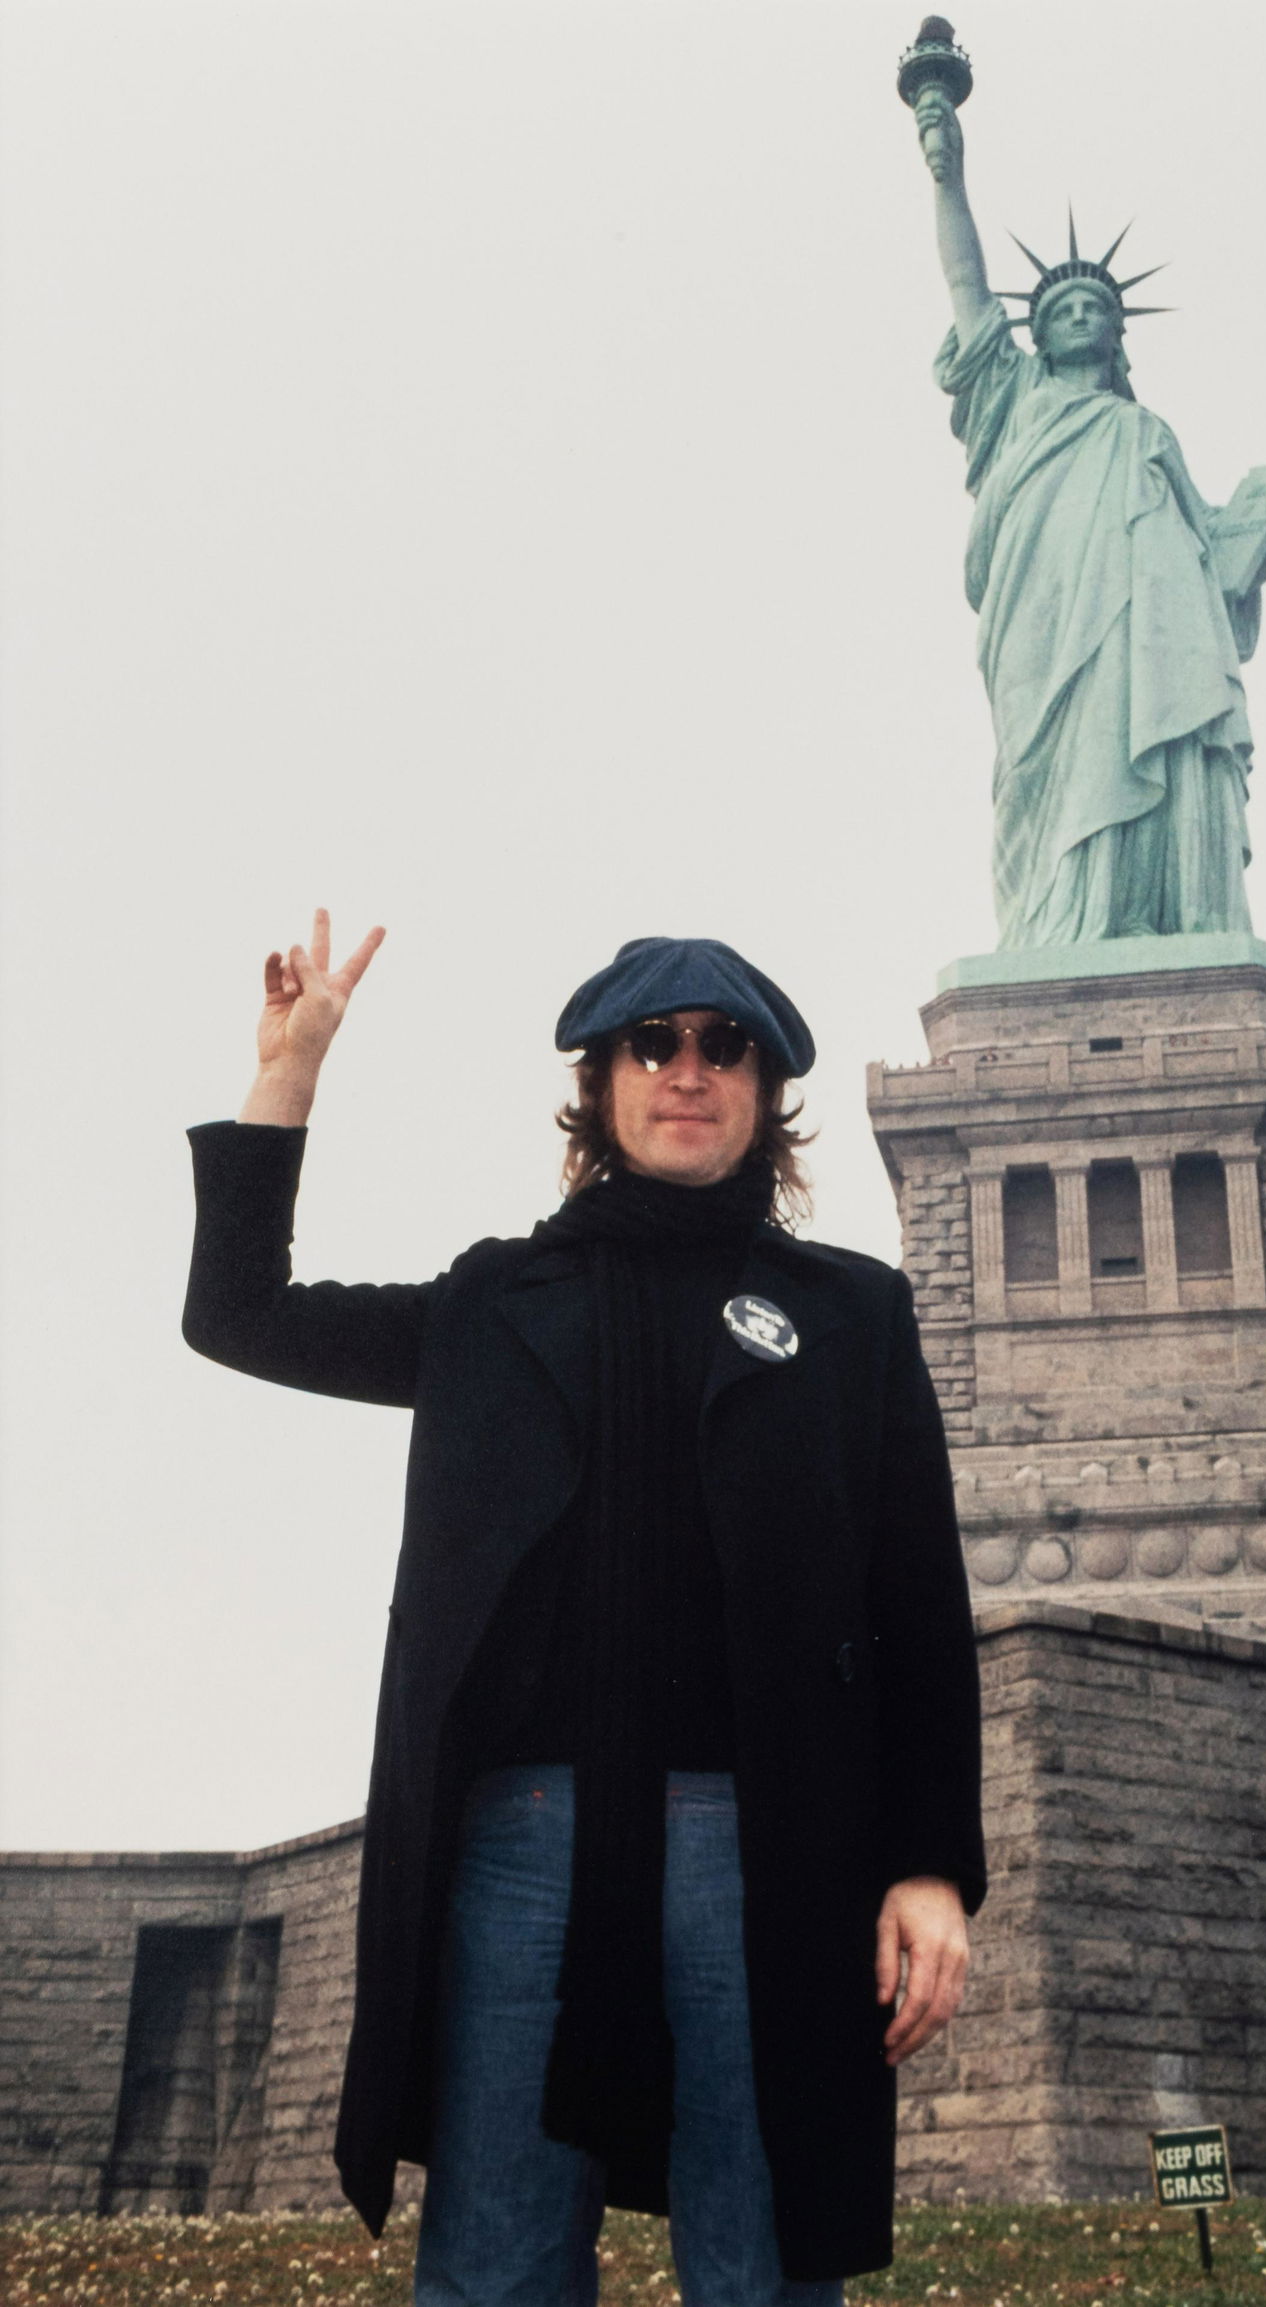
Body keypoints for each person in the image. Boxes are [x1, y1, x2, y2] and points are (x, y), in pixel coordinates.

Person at [182, 912, 986, 2307]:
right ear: (602, 1083)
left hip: (772, 1849)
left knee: (765, 2264)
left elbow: (917, 1599)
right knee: (496, 2265)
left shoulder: (853, 1315)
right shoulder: (494, 1300)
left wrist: (928, 1863)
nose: (689, 1068)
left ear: (766, 1088)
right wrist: (290, 1073)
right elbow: (241, 1311)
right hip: (522, 1846)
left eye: (723, 1044)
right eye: (653, 1042)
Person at [913, 82, 1266, 950]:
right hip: (1042, 621)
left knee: (1139, 733)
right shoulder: (1012, 401)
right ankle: (1054, 925)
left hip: (1145, 633)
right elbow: (965, 283)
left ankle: (1136, 912)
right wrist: (948, 172)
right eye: (1060, 311)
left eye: (1095, 307)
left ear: (1116, 333)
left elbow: (1208, 558)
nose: (1080, 315)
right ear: (1041, 336)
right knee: (1042, 771)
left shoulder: (1144, 431)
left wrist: (1265, 534)